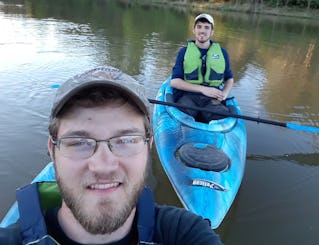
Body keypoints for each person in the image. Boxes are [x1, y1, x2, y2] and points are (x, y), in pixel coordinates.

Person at [0, 66, 224, 244]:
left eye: (126, 140)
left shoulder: (184, 232)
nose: (103, 166)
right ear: (52, 151)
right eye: (78, 142)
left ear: (148, 147)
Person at [171, 13, 236, 123]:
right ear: (194, 30)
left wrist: (224, 93)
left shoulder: (222, 53)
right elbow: (174, 82)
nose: (202, 31)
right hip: (189, 97)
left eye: (207, 27)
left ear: (212, 32)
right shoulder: (184, 52)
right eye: (199, 26)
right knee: (182, 115)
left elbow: (229, 78)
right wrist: (203, 89)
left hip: (212, 101)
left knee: (223, 117)